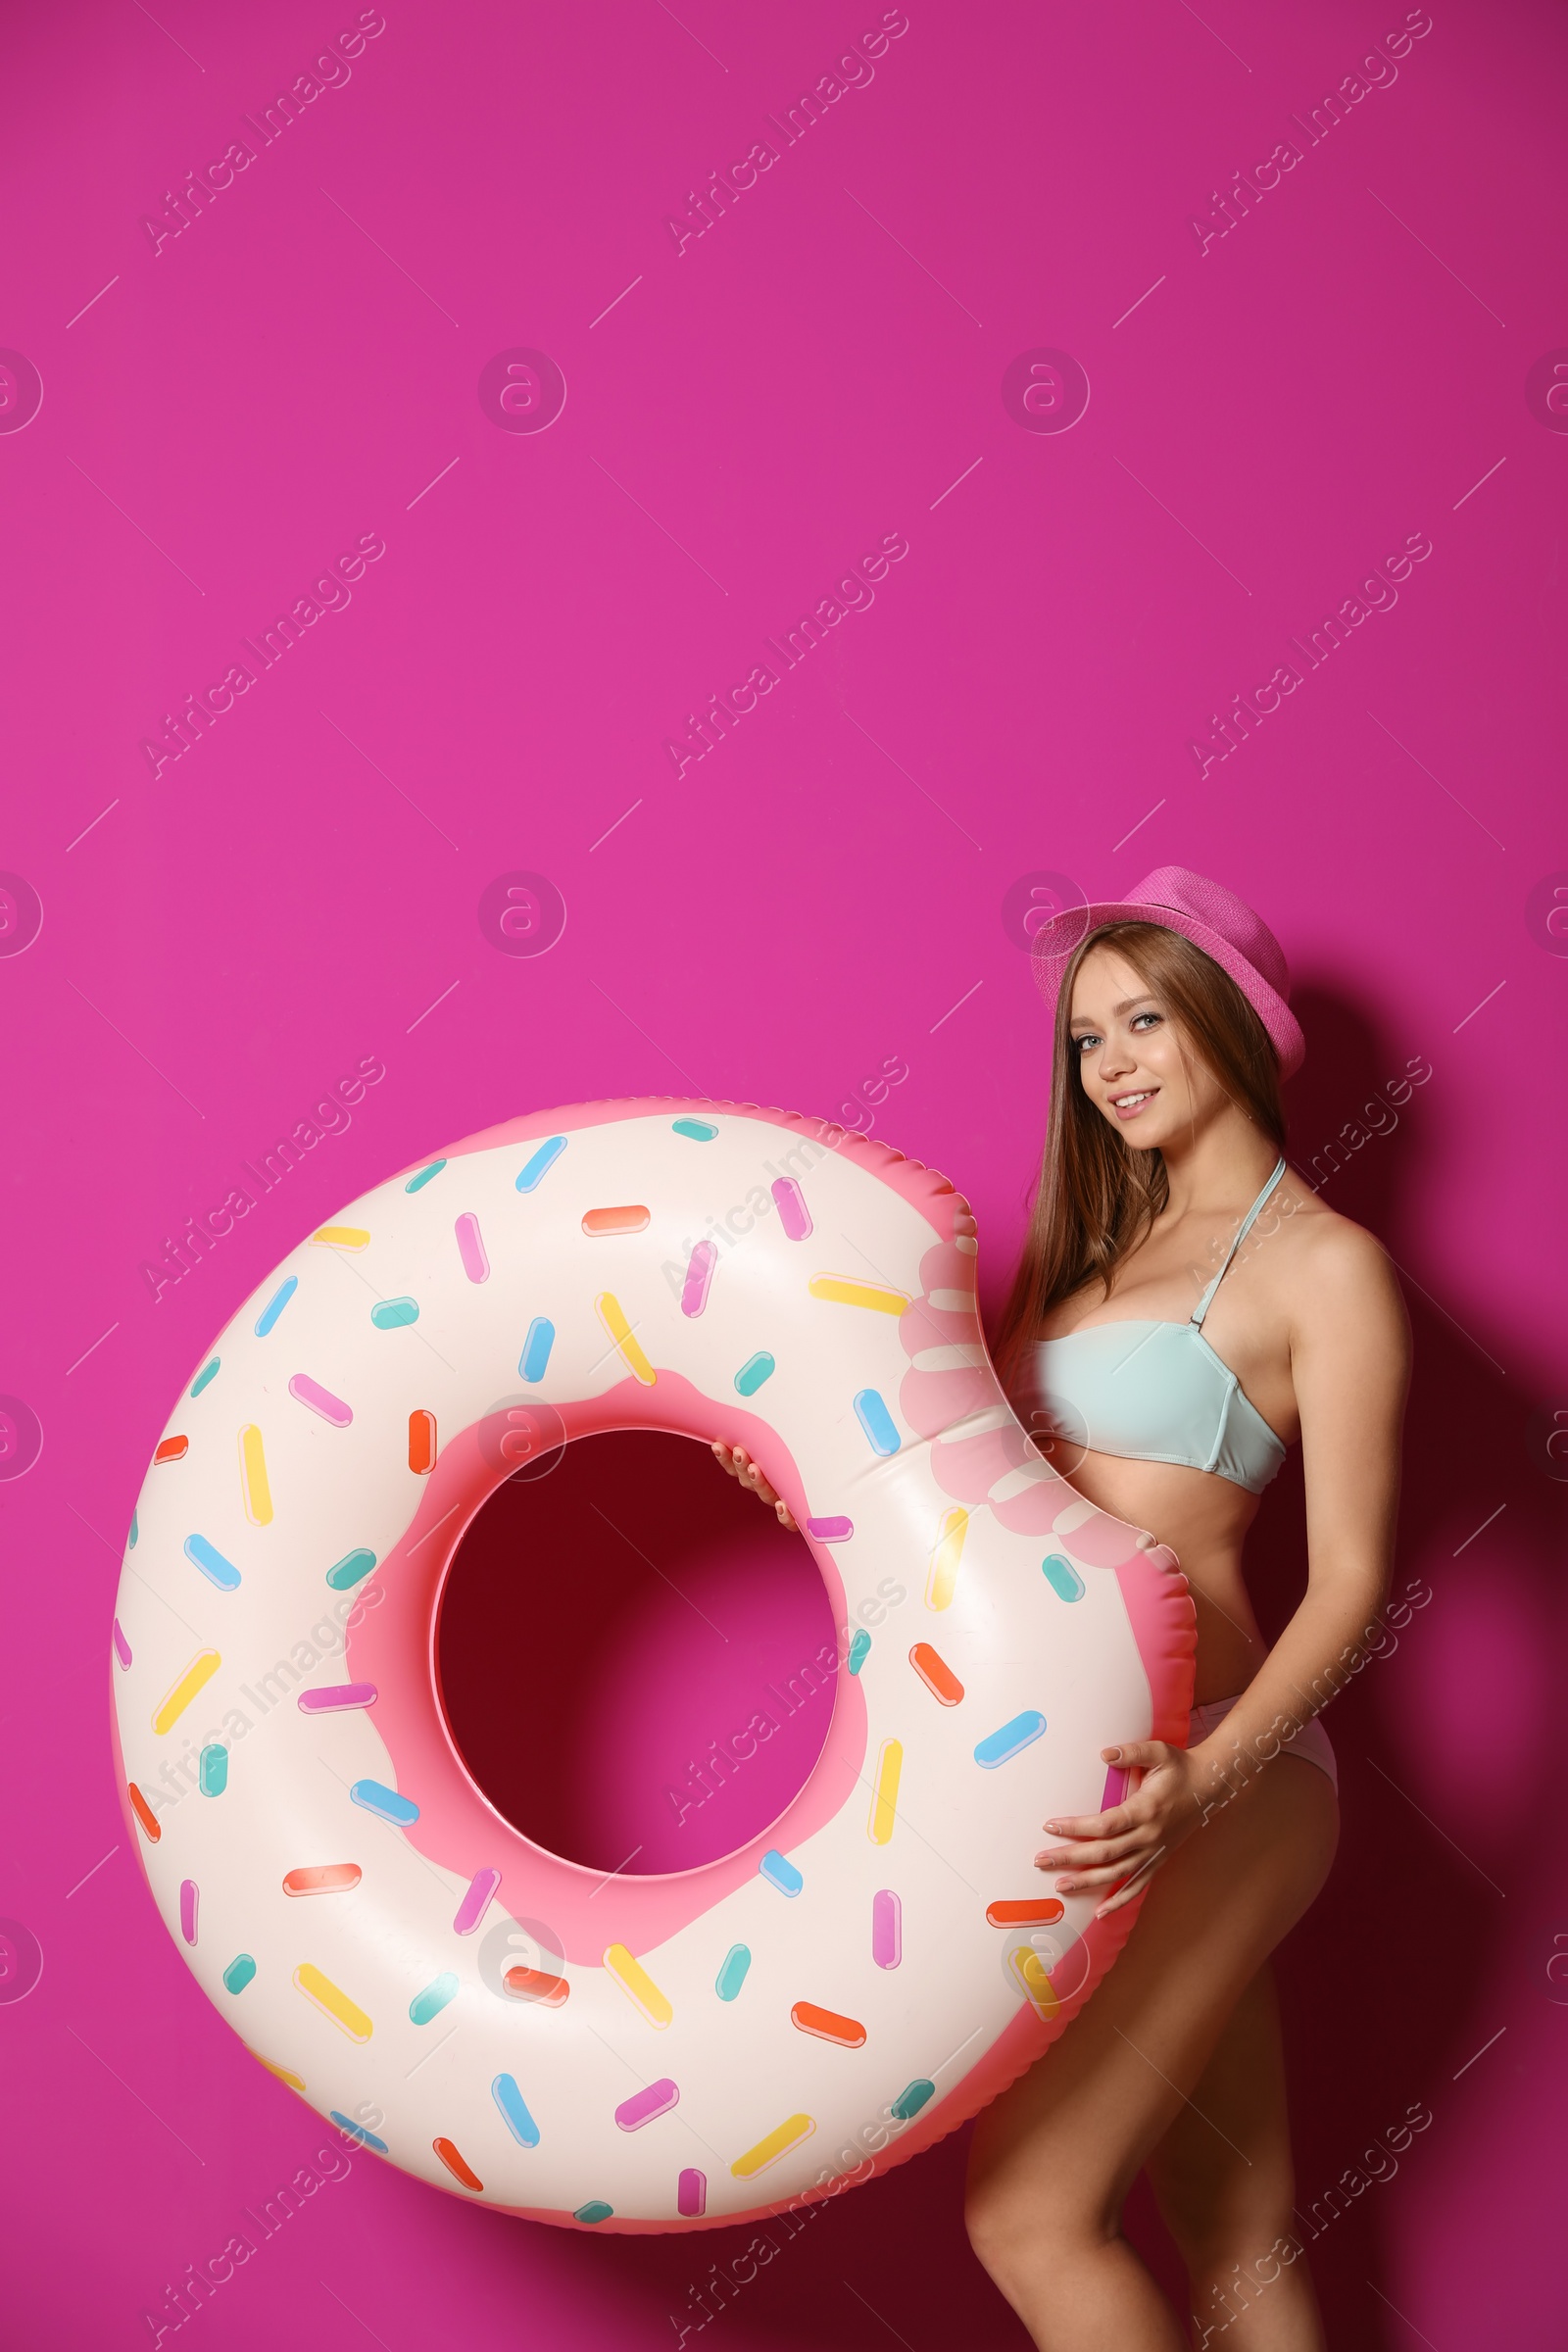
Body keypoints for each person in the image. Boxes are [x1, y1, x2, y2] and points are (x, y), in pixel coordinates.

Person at [721, 869, 1409, 2345]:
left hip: (1227, 1767)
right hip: (1080, 1783)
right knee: (1236, 2227)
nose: (1112, 1066)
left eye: (1146, 1021)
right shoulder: (1085, 1254)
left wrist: (1208, 1781)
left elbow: (1353, 1578)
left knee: (1030, 2216)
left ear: (1233, 1025)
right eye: (1088, 1040)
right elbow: (971, 1493)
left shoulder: (1326, 1268)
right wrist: (806, 1480)